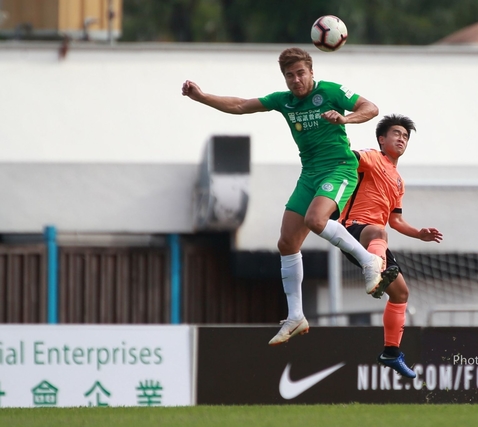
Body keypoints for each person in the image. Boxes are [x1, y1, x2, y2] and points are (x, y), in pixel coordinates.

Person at [182, 47, 397, 346]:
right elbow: (241, 105)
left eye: (300, 73)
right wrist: (202, 97)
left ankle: (369, 260)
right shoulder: (283, 100)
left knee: (316, 220)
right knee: (287, 243)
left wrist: (345, 119)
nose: (296, 80)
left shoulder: (331, 91)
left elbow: (371, 108)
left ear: (311, 72)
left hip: (339, 168)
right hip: (310, 174)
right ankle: (296, 316)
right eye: (289, 75)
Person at [338, 114, 443, 378]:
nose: (401, 139)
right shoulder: (372, 158)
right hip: (353, 230)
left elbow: (396, 220)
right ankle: (374, 275)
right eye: (396, 133)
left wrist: (419, 234)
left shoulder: (398, 181)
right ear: (381, 139)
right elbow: (348, 156)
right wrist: (338, 130)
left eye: (405, 136)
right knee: (378, 230)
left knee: (401, 294)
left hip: (376, 241)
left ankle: (391, 352)